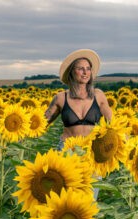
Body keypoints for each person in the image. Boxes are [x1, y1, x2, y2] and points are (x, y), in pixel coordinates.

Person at [44, 49, 112, 199]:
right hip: (67, 150)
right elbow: (42, 123)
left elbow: (112, 124)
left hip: (91, 153)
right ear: (71, 72)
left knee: (89, 198)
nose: (85, 72)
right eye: (80, 68)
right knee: (64, 198)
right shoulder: (61, 98)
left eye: (88, 69)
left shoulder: (99, 96)